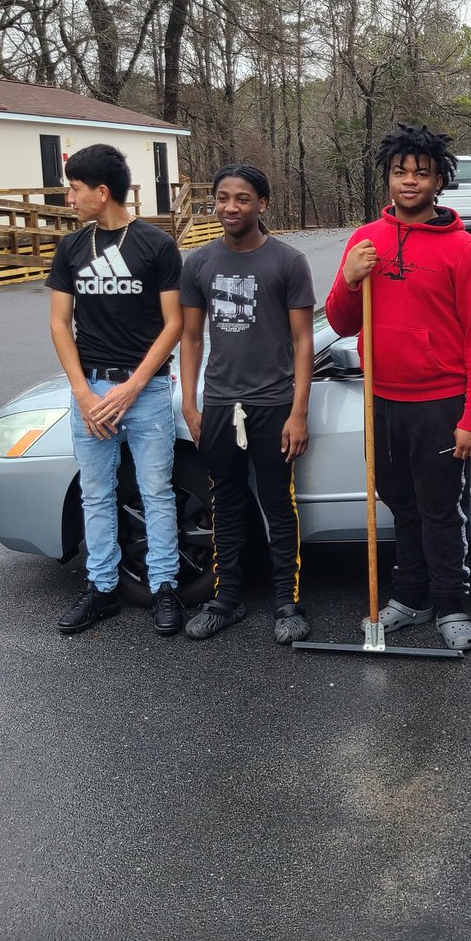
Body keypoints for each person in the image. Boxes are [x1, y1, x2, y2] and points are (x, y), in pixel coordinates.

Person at [325, 124, 471, 651]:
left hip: (439, 403)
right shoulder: (364, 241)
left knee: (441, 507)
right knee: (398, 501)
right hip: (382, 399)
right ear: (388, 179)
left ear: (439, 180)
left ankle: (450, 604)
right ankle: (411, 597)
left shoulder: (463, 250)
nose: (409, 181)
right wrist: (350, 278)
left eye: (421, 173)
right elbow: (338, 320)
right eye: (400, 172)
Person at [47, 144, 184, 635]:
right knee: (97, 495)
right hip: (93, 391)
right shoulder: (71, 249)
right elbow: (60, 325)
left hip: (143, 392)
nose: (69, 198)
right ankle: (102, 589)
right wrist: (84, 394)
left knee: (156, 492)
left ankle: (164, 587)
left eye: (75, 189)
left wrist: (135, 386)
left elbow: (174, 324)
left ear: (102, 192)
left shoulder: (156, 245)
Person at [179, 165, 316, 645]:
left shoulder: (287, 262)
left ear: (262, 204)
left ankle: (286, 602)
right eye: (222, 198)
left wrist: (298, 411)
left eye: (242, 198)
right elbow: (191, 337)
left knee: (278, 504)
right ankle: (226, 600)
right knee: (226, 502)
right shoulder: (198, 264)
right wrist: (191, 405)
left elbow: (303, 342)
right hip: (219, 403)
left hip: (273, 404)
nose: (230, 207)